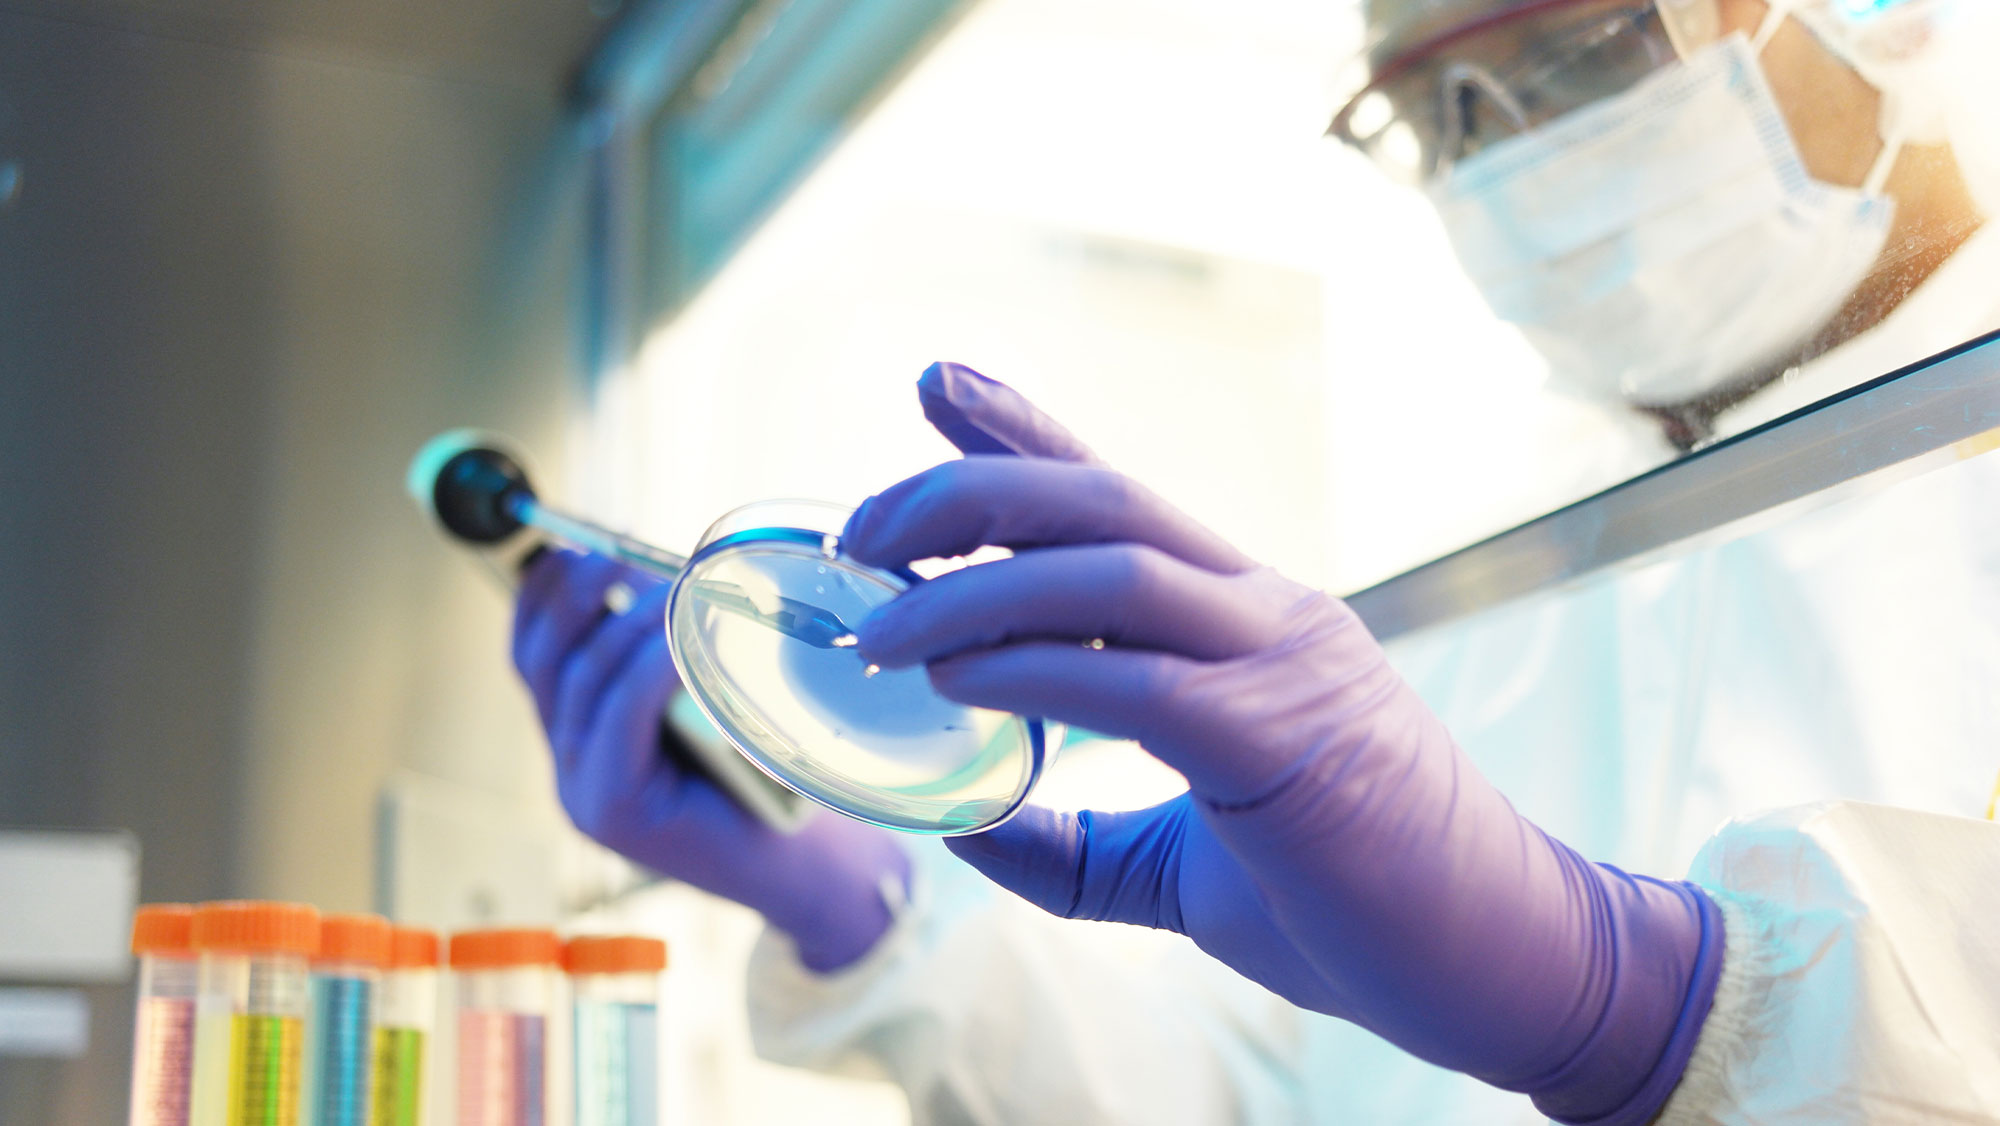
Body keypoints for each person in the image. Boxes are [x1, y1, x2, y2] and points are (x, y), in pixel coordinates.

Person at [511, 0, 2000, 1120]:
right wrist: (868, 912)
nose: (1516, 155)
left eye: (1577, 53)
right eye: (1441, 119)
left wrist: (1660, 1009)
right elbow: (1262, 1097)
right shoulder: (1500, 546)